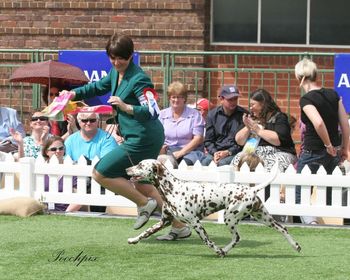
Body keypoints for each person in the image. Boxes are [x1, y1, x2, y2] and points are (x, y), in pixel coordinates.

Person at [60, 34, 164, 230]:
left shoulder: (140, 78)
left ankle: (144, 205)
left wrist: (126, 107)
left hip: (143, 138)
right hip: (137, 136)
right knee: (143, 184)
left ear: (131, 55)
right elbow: (98, 86)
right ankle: (179, 225)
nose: (116, 63)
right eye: (112, 57)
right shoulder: (116, 73)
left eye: (121, 58)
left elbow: (153, 111)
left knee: (100, 172)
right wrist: (73, 94)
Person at [294, 58, 349, 224]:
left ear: (299, 77)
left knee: (300, 194)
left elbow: (318, 123)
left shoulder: (307, 99)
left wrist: (328, 145)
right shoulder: (334, 95)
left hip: (314, 151)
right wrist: (344, 148)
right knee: (331, 193)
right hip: (334, 152)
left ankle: (311, 223)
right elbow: (345, 124)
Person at [232, 88, 297, 172]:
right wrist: (248, 127)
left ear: (263, 104)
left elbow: (278, 140)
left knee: (270, 164)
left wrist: (258, 131)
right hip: (253, 152)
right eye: (250, 105)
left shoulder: (279, 117)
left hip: (278, 152)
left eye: (253, 105)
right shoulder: (251, 117)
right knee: (238, 159)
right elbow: (239, 141)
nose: (250, 108)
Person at [159, 81, 205, 166]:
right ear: (169, 98)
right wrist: (161, 148)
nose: (176, 100)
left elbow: (198, 138)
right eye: (173, 97)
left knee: (184, 164)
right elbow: (157, 135)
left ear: (184, 99)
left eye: (179, 97)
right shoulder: (162, 114)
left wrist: (181, 152)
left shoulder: (195, 114)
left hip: (190, 152)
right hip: (167, 151)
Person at [201, 85, 248, 166]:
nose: (233, 102)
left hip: (235, 153)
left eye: (235, 99)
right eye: (230, 99)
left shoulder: (244, 115)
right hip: (216, 152)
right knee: (205, 163)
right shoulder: (212, 115)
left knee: (222, 164)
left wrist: (228, 152)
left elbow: (243, 142)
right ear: (221, 99)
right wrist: (215, 153)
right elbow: (208, 141)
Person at [42, 136, 80, 212]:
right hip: (43, 211)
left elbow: (79, 197)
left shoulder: (73, 169)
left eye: (61, 148)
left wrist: (66, 213)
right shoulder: (39, 169)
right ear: (46, 152)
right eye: (53, 149)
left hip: (67, 212)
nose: (58, 151)